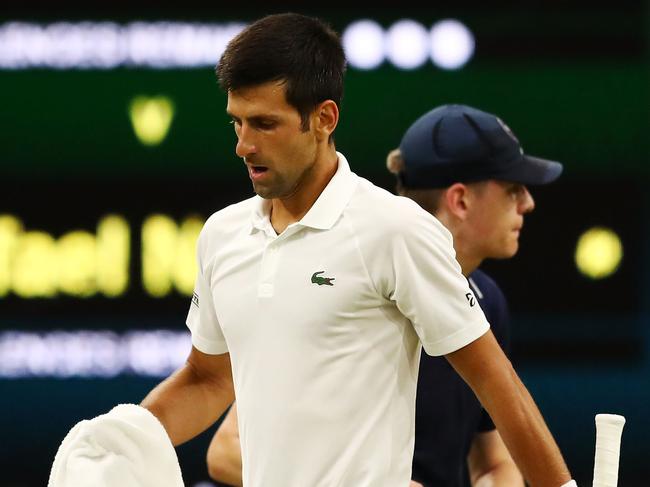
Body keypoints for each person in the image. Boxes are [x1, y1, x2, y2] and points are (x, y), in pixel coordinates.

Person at [140, 13, 577, 487]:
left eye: (265, 124)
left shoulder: (396, 230)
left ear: (325, 119)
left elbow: (498, 384)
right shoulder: (222, 235)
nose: (243, 146)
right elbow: (207, 380)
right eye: (237, 124)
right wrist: (121, 437)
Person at [206, 104, 562, 487]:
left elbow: (494, 463)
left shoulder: (487, 300)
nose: (528, 203)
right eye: (512, 189)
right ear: (460, 201)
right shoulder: (346, 292)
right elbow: (226, 450)